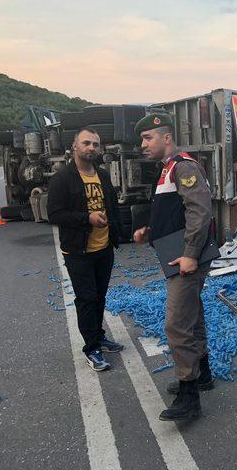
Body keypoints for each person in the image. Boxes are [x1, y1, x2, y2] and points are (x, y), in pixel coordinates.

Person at [133, 113, 215, 421]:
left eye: (148, 138)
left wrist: (192, 253)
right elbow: (176, 214)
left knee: (177, 324)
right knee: (192, 319)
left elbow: (200, 211)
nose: (143, 144)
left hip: (186, 257)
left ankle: (188, 394)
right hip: (176, 253)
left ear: (166, 138)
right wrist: (150, 233)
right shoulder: (168, 169)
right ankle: (202, 374)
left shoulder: (183, 167)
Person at [48, 127, 124, 372]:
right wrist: (87, 218)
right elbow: (54, 214)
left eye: (95, 144)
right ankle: (92, 349)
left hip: (103, 248)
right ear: (75, 146)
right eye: (86, 143)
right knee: (87, 299)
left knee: (99, 296)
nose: (91, 148)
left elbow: (111, 206)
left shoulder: (102, 175)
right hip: (78, 251)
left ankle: (99, 336)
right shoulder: (63, 178)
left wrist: (119, 233)